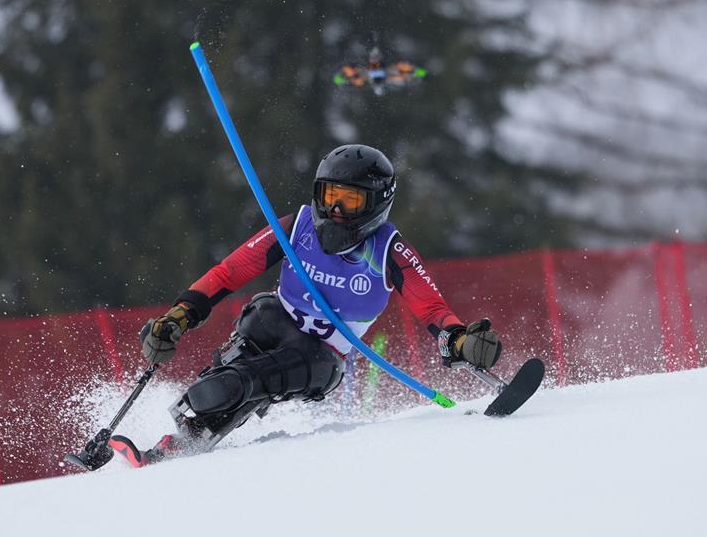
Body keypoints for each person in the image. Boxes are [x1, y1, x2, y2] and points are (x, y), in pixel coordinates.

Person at [107, 144, 502, 467]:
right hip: (272, 322)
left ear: (376, 204)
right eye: (330, 197)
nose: (335, 212)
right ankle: (182, 440)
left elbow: (431, 309)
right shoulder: (296, 227)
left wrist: (461, 340)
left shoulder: (388, 251)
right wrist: (179, 315)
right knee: (241, 351)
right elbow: (230, 272)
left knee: (239, 385)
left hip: (321, 357)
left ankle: (212, 406)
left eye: (350, 202)